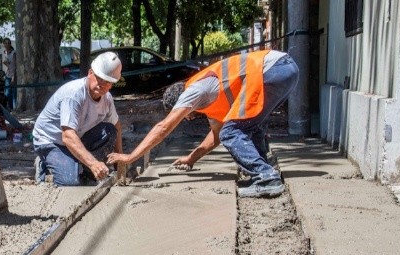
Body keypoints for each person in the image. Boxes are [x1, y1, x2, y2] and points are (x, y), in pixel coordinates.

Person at [107, 49, 299, 198]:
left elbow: (163, 127)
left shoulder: (194, 91)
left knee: (232, 132)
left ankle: (265, 177)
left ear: (183, 105)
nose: (188, 118)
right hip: (285, 69)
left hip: (271, 70)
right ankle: (262, 169)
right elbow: (216, 134)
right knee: (249, 125)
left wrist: (130, 156)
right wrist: (192, 158)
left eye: (185, 115)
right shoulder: (210, 97)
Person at [32, 51, 124, 186]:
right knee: (70, 182)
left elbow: (117, 127)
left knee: (109, 131)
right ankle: (44, 164)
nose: (103, 84)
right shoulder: (74, 95)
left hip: (76, 137)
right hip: (51, 141)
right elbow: (68, 136)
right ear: (90, 73)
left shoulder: (107, 99)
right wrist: (93, 163)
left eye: (108, 82)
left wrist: (119, 161)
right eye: (100, 78)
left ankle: (87, 172)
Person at [1, 37, 16, 109]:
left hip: (13, 75)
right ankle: (10, 108)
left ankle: (14, 108)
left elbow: (14, 66)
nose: (7, 45)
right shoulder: (4, 53)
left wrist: (14, 77)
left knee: (13, 93)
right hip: (7, 75)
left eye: (8, 43)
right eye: (6, 43)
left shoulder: (14, 53)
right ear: (3, 44)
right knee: (7, 93)